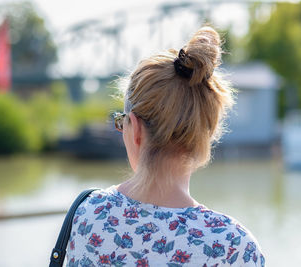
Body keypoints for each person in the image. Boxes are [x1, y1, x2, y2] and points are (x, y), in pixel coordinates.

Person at [66, 26, 265, 267]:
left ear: (136, 129)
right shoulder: (234, 247)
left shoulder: (89, 215)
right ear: (207, 131)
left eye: (122, 122)